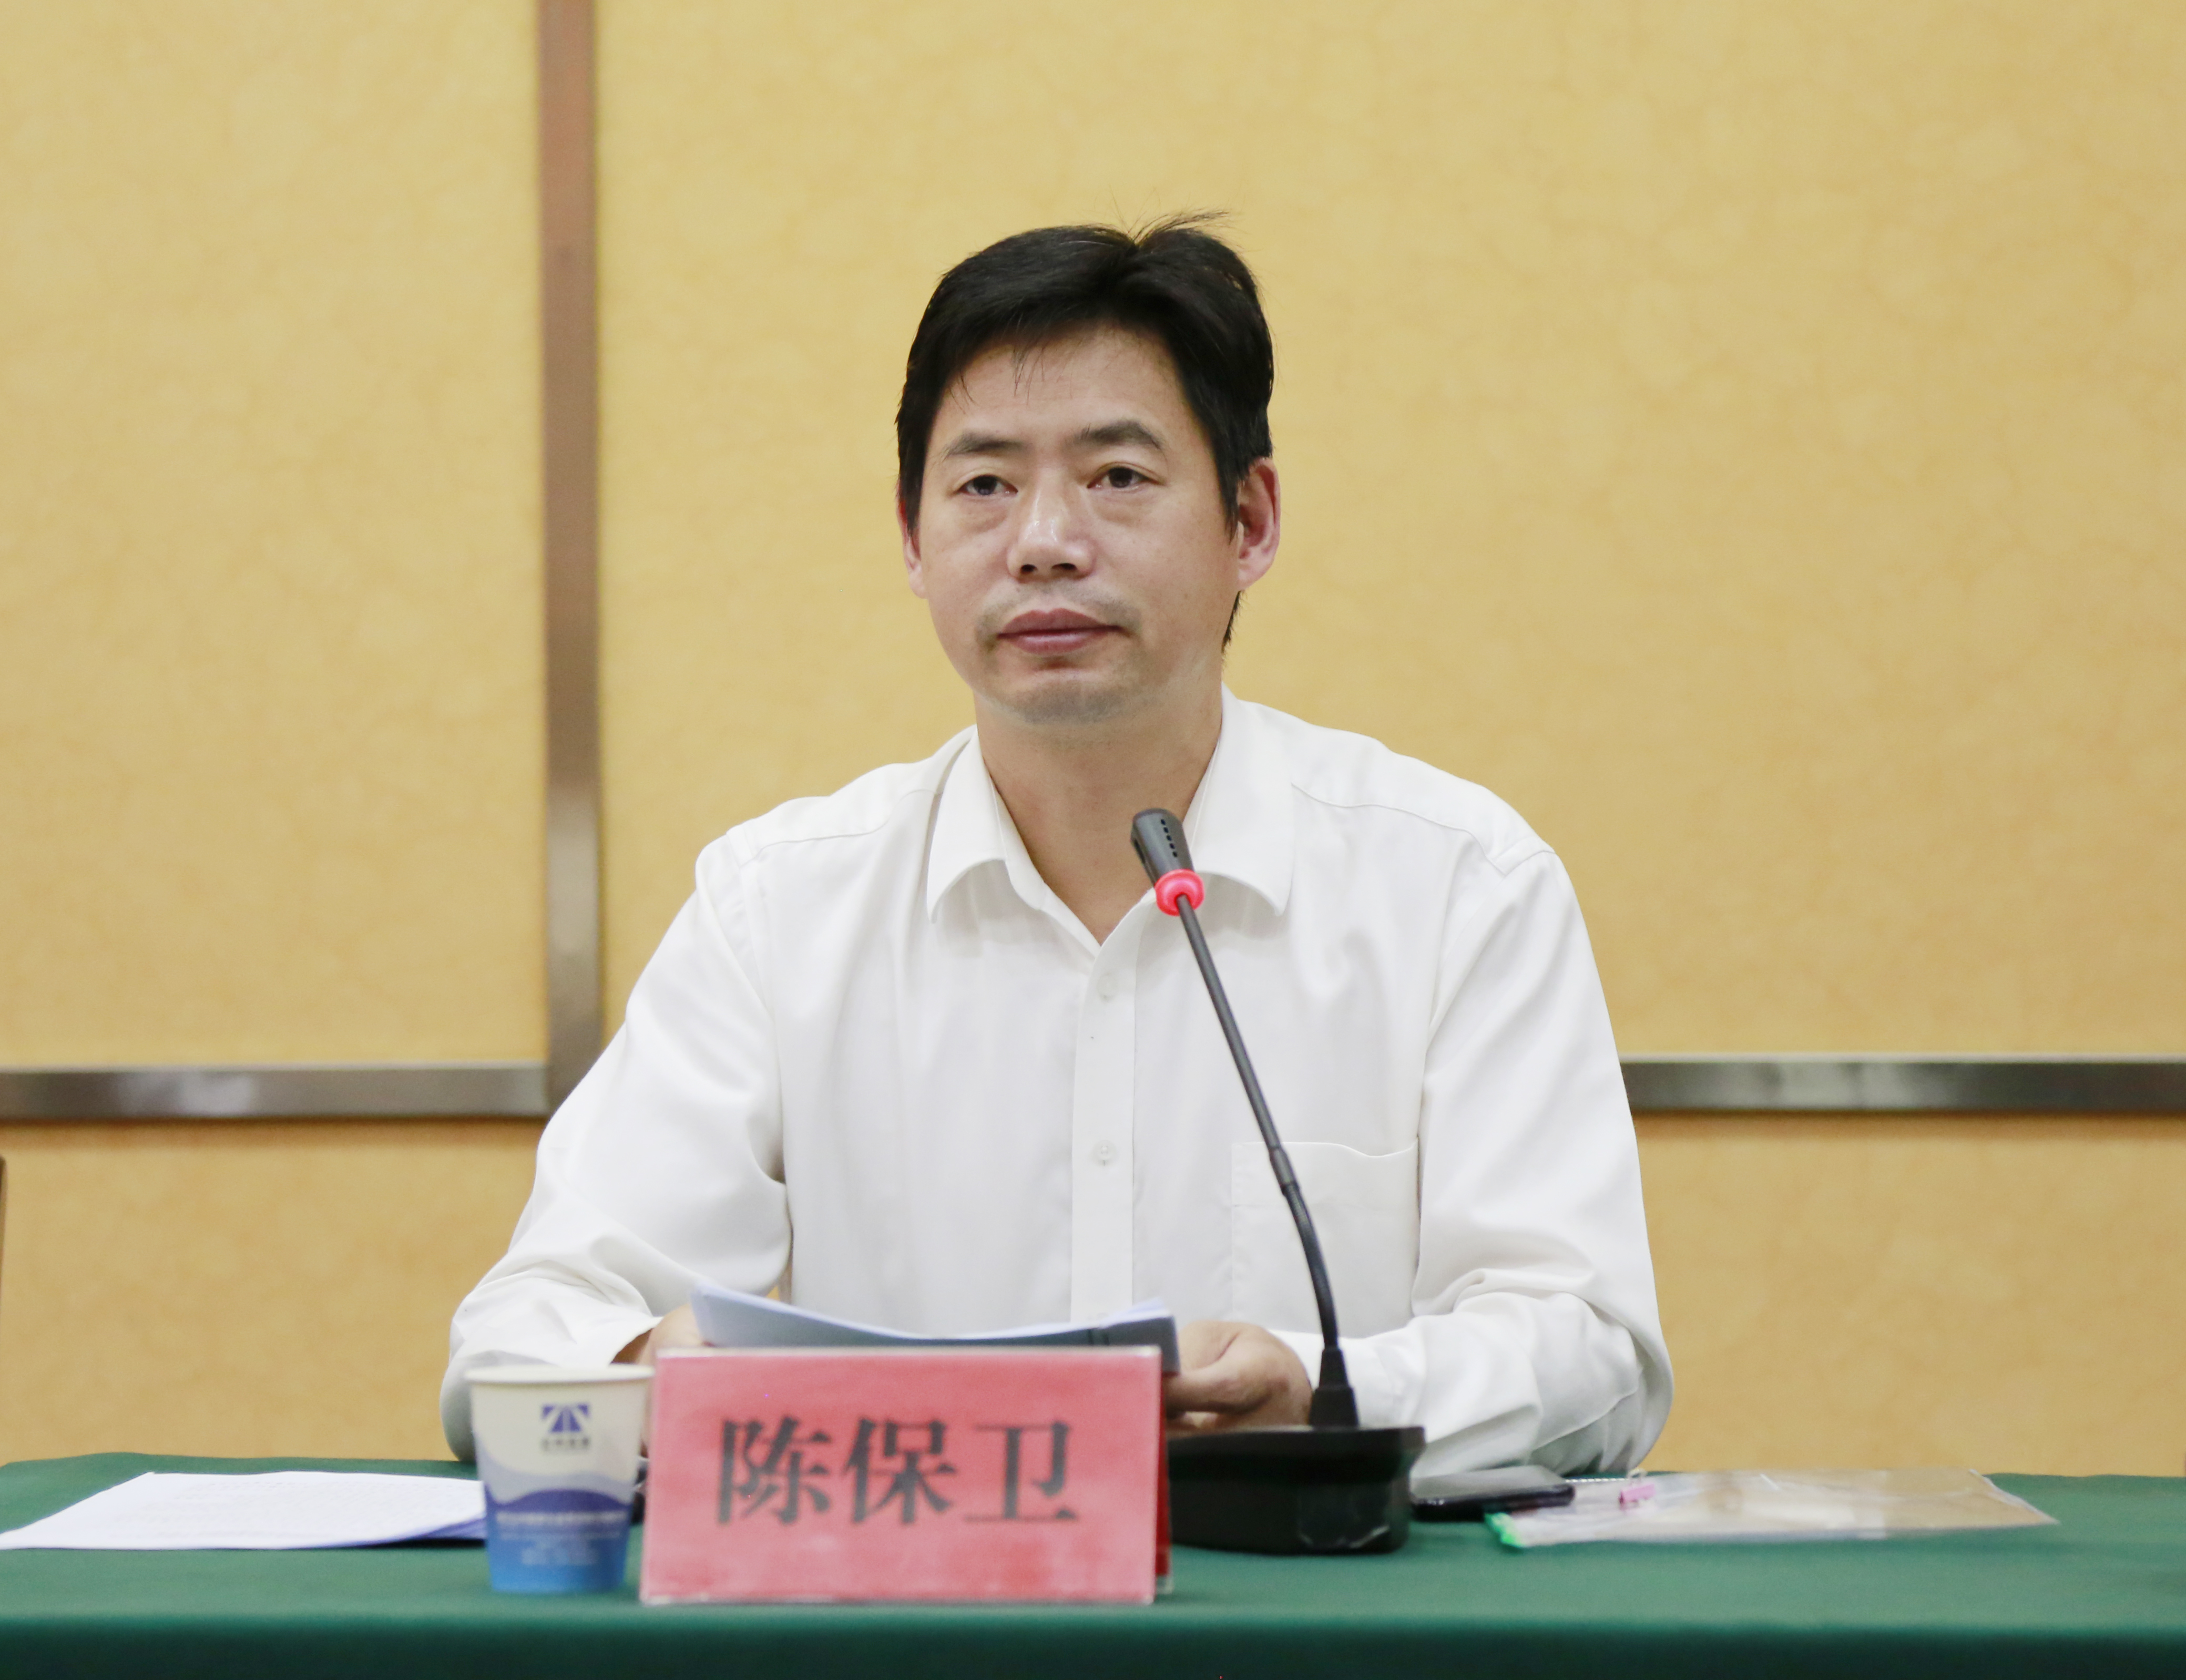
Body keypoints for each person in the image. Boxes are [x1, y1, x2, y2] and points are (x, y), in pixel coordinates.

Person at [443, 217, 1671, 1476]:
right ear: (913, 539)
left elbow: (1590, 1353)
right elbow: (519, 1338)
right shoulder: (780, 908)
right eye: (983, 485)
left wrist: (1321, 1391)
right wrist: (655, 1367)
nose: (1043, 540)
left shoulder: (1457, 884)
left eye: (1117, 476)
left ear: (1249, 520)